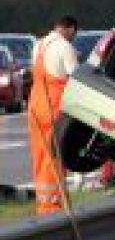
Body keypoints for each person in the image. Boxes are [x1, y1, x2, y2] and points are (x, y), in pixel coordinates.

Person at [28, 15, 78, 214]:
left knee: (41, 156)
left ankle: (44, 204)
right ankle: (55, 207)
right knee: (55, 157)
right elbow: (75, 77)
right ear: (71, 29)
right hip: (53, 108)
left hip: (35, 106)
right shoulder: (65, 47)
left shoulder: (39, 45)